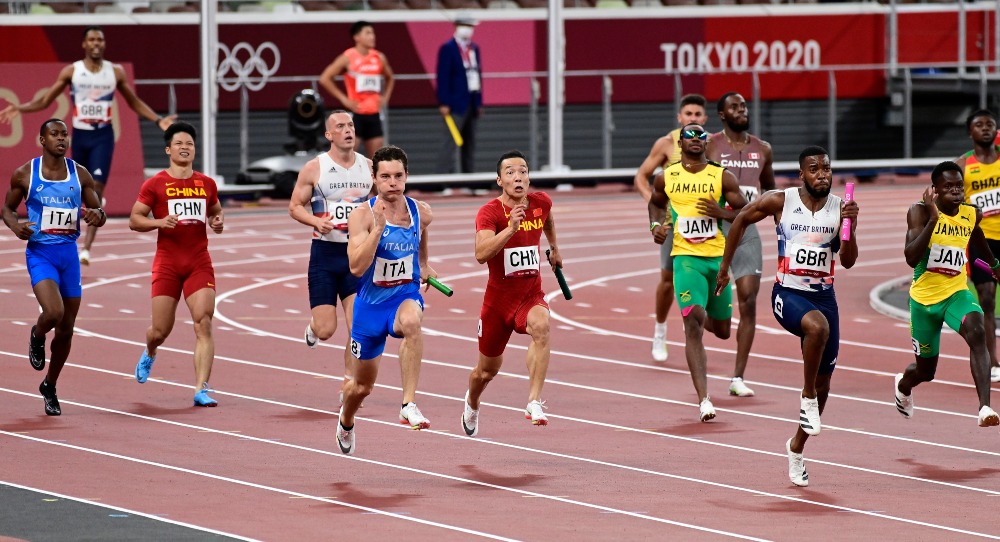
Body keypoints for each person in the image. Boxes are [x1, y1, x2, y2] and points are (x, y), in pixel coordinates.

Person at [716, 146, 858, 487]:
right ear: (801, 175)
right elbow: (740, 219)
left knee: (826, 382)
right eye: (814, 169)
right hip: (787, 294)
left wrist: (851, 223)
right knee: (816, 328)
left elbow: (849, 259)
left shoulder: (841, 207)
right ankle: (805, 396)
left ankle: (796, 447)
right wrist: (725, 266)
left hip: (824, 296)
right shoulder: (780, 201)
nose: (822, 174)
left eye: (826, 168)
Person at [0, 26, 175, 267]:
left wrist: (158, 120)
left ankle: (87, 248)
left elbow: (133, 101)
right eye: (91, 39)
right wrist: (20, 107)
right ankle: (72, 231)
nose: (96, 43)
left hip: (103, 135)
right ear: (84, 44)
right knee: (82, 186)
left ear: (104, 44)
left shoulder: (115, 72)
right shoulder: (73, 71)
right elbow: (45, 100)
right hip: (80, 135)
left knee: (98, 186)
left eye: (100, 40)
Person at [337, 145, 438, 455]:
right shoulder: (361, 216)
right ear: (374, 178)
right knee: (361, 388)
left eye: (398, 176)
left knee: (412, 322)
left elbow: (421, 236)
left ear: (406, 176)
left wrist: (422, 263)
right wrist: (378, 230)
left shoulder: (422, 211)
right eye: (385, 177)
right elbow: (356, 266)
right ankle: (346, 419)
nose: (392, 182)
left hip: (403, 296)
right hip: (369, 308)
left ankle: (408, 403)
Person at [2, 119, 107, 416]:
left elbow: (97, 208)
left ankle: (50, 385)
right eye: (54, 134)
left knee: (66, 330)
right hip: (40, 254)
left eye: (64, 134)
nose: (61, 139)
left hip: (68, 255)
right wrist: (15, 226)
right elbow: (7, 209)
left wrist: (97, 215)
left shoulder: (80, 174)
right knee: (54, 312)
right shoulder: (25, 173)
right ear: (42, 139)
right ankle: (36, 335)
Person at [648, 123, 747, 422]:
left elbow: (747, 213)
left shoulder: (721, 176)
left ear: (706, 143)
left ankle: (698, 311)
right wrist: (655, 226)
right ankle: (704, 399)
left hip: (716, 260)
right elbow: (655, 204)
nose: (694, 140)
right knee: (693, 322)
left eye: (700, 136)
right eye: (689, 136)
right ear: (680, 143)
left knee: (722, 331)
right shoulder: (667, 176)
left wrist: (722, 214)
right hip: (685, 259)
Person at [462, 150, 562, 436]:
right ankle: (472, 400)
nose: (518, 177)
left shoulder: (541, 202)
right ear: (499, 180)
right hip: (498, 302)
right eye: (510, 173)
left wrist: (554, 248)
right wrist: (510, 230)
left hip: (530, 294)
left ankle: (534, 401)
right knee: (486, 371)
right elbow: (481, 254)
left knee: (542, 326)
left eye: (523, 171)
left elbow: (548, 219)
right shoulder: (490, 212)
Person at [894, 161, 1000, 429]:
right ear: (935, 190)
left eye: (959, 186)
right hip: (924, 302)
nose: (956, 192)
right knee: (926, 372)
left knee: (976, 331)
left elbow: (977, 238)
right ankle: (903, 385)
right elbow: (910, 257)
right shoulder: (918, 212)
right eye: (948, 187)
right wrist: (933, 218)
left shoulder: (970, 213)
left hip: (956, 293)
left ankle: (985, 407)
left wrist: (995, 265)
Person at [128, 122, 225, 407]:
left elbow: (216, 211)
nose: (185, 148)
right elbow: (135, 219)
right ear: (168, 149)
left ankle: (201, 388)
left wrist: (217, 222)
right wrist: (159, 221)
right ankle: (150, 350)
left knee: (203, 322)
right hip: (168, 262)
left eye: (190, 144)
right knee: (160, 330)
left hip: (198, 262)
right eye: (179, 143)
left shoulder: (206, 183)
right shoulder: (155, 184)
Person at [288, 111, 375, 404]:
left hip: (356, 257)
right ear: (329, 135)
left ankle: (348, 383)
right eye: (340, 126)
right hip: (325, 255)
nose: (347, 130)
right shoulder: (315, 168)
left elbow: (380, 205)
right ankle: (313, 327)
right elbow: (295, 206)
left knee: (357, 327)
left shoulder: (369, 167)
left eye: (350, 125)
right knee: (327, 329)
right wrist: (315, 222)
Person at [706, 92, 775, 398]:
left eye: (743, 106)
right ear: (722, 114)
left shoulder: (763, 148)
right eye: (734, 107)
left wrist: (782, 226)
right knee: (719, 325)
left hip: (746, 230)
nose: (741, 110)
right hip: (713, 230)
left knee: (748, 299)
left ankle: (737, 377)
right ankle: (696, 315)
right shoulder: (710, 144)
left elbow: (772, 190)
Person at [633, 94, 709, 363]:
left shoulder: (711, 144)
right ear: (680, 117)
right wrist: (654, 203)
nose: (693, 118)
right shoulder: (667, 144)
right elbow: (641, 176)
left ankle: (698, 332)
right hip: (673, 223)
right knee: (667, 280)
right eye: (688, 114)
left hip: (705, 225)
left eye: (698, 114)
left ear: (705, 119)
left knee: (710, 277)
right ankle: (660, 330)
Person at [954, 109, 1000, 383]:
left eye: (990, 124)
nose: (985, 128)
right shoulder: (963, 165)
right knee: (986, 297)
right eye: (979, 124)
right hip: (982, 243)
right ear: (970, 132)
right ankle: (992, 361)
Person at [318, 21, 394, 159]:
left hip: (374, 115)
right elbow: (325, 78)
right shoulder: (348, 57)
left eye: (373, 33)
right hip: (356, 115)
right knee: (347, 158)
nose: (372, 37)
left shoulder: (378, 57)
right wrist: (344, 99)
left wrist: (385, 98)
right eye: (368, 33)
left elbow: (390, 78)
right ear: (357, 37)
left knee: (377, 161)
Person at [435, 16, 483, 174]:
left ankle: (470, 181)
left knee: (470, 143)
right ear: (456, 26)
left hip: (471, 101)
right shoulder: (448, 48)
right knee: (449, 143)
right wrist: (443, 102)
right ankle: (442, 182)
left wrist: (479, 101)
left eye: (471, 26)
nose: (469, 29)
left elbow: (477, 74)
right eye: (466, 25)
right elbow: (443, 76)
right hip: (454, 103)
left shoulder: (474, 49)